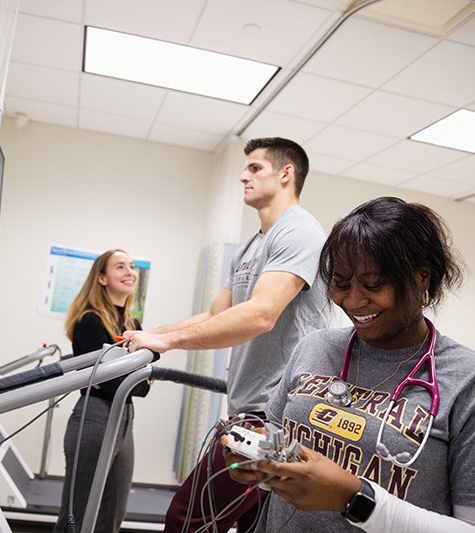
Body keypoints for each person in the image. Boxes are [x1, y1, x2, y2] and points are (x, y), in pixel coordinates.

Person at [224, 196, 475, 532]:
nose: (353, 301)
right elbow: (286, 461)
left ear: (421, 277)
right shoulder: (313, 350)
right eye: (340, 283)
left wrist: (356, 500)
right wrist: (260, 464)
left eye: (373, 285)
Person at [125, 137, 332, 531]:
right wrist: (153, 334)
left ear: (286, 173)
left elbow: (260, 315)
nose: (243, 176)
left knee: (189, 518)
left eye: (255, 168)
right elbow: (215, 313)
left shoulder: (300, 232)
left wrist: (166, 342)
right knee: (253, 524)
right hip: (249, 405)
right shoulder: (253, 245)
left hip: (275, 413)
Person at [52, 249, 150, 533]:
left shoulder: (134, 326)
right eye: (120, 267)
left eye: (132, 266)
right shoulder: (90, 321)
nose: (129, 272)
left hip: (124, 420)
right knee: (77, 517)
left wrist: (135, 381)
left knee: (112, 515)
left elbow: (137, 380)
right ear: (102, 278)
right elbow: (113, 385)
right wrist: (138, 381)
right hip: (94, 417)